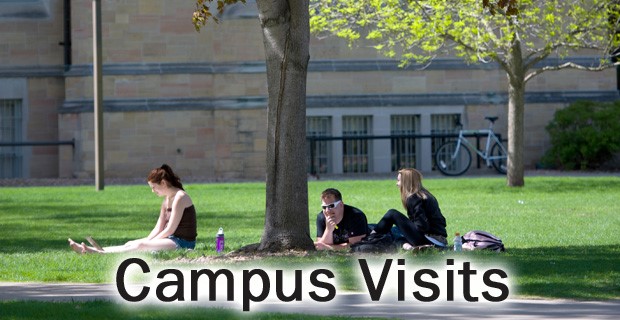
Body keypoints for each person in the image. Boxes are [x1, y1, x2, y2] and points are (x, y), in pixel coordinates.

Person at [68, 164, 197, 254]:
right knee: (131, 243)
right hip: (169, 239)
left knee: (140, 246)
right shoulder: (166, 200)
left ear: (163, 183)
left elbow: (170, 229)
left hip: (182, 243)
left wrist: (148, 243)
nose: (153, 191)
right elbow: (158, 228)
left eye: (154, 187)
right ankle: (94, 250)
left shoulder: (180, 197)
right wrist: (148, 240)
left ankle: (99, 254)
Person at [369, 168, 447, 250]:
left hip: (431, 240)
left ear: (406, 182)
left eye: (399, 180)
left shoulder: (414, 198)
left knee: (392, 214)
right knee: (393, 230)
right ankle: (409, 247)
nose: (397, 184)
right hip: (439, 241)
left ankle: (371, 239)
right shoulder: (424, 194)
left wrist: (405, 230)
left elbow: (422, 226)